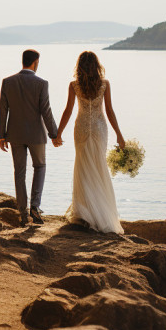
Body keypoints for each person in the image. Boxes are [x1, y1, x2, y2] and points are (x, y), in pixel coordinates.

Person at [55, 51, 125, 234]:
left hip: (81, 129)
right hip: (100, 129)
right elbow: (109, 111)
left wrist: (58, 133)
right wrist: (119, 134)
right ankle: (99, 212)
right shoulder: (104, 84)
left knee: (84, 167)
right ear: (96, 65)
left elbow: (68, 111)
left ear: (79, 67)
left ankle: (85, 212)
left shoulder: (74, 86)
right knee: (98, 165)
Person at [0, 49, 59, 226]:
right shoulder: (41, 83)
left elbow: (3, 110)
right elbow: (46, 111)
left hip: (14, 134)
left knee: (19, 173)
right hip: (36, 135)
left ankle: (23, 214)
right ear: (36, 62)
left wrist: (1, 136)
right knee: (40, 167)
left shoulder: (7, 82)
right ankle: (35, 206)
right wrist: (54, 134)